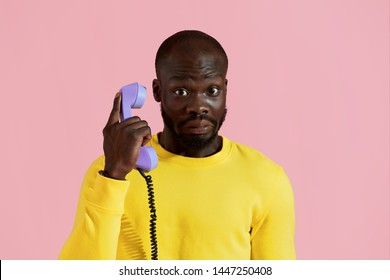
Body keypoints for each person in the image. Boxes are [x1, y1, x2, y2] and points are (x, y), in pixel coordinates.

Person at [59, 30, 296, 260]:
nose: (198, 106)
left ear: (225, 88)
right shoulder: (109, 170)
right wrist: (113, 177)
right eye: (181, 91)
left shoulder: (266, 179)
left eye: (212, 90)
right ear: (157, 91)